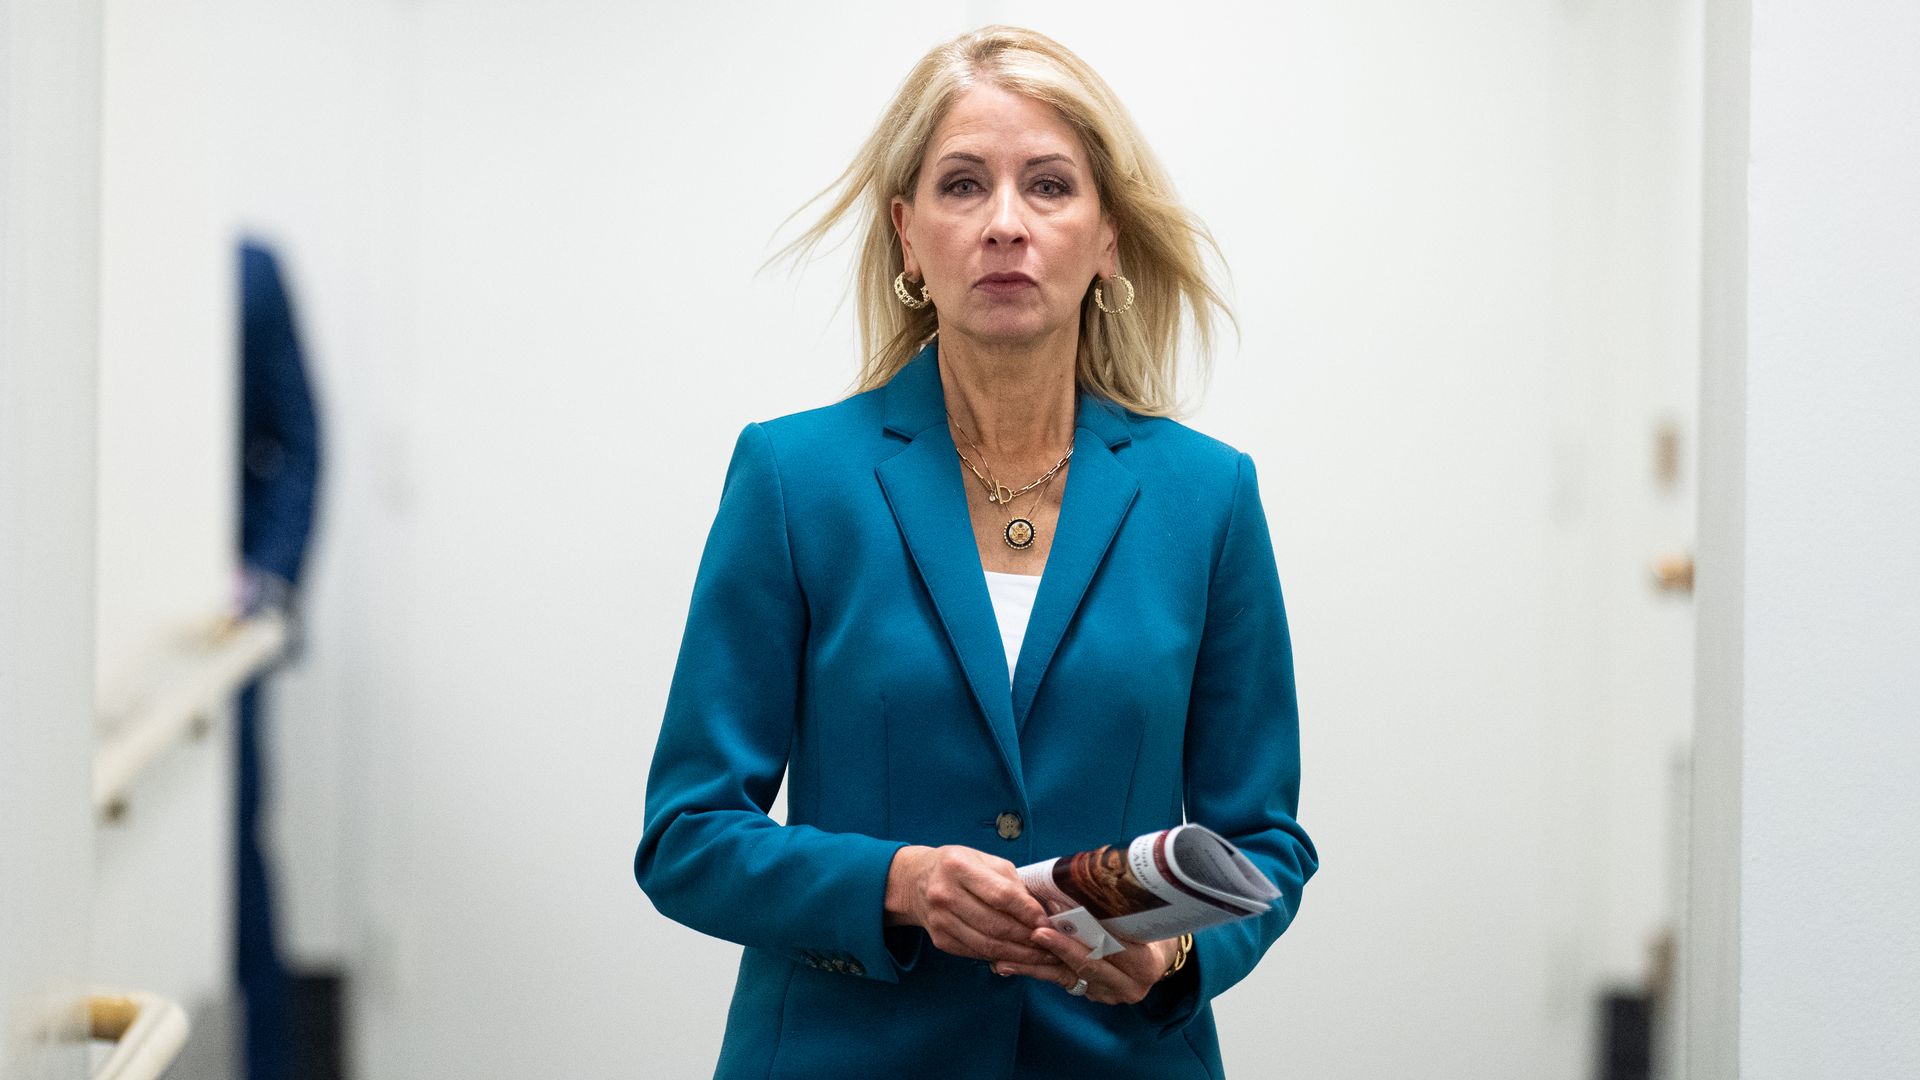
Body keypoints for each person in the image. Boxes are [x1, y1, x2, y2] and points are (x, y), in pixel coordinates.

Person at [635, 25, 1317, 1079]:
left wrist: (1174, 954)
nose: (1005, 224)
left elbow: (1264, 840)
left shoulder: (1208, 496)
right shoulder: (792, 478)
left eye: (1048, 186)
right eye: (963, 186)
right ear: (909, 235)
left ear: (1107, 241)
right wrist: (898, 884)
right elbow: (687, 835)